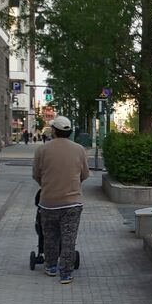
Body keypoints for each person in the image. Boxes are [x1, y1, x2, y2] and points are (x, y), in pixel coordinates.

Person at [32, 116, 90, 284]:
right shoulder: (79, 150)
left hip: (48, 202)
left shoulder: (42, 150)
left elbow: (36, 174)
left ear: (54, 131)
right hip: (72, 203)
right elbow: (85, 174)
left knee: (49, 236)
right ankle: (65, 273)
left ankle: (50, 266)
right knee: (68, 239)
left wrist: (48, 185)